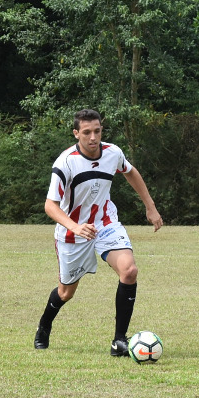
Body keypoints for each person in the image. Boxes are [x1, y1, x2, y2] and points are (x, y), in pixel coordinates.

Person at [34, 109, 163, 356]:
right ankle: (44, 325)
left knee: (129, 270)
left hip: (105, 224)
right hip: (73, 233)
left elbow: (130, 171)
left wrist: (150, 206)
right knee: (66, 292)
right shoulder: (65, 162)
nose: (93, 137)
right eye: (86, 132)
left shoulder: (113, 153)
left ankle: (119, 341)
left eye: (97, 131)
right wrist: (75, 226)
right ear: (76, 134)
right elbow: (50, 205)